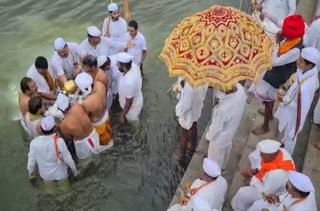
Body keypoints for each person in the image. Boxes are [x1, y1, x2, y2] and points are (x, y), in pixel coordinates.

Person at [249, 14, 305, 135]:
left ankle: (265, 126)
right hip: (274, 72)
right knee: (269, 98)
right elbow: (279, 20)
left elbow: (274, 62)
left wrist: (278, 43)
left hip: (277, 76)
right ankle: (268, 114)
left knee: (268, 99)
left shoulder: (295, 50)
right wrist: (266, 13)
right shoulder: (294, 36)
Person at [274, 47, 320, 154]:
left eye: (300, 61)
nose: (297, 62)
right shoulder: (305, 72)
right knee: (285, 134)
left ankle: (286, 156)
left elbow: (301, 108)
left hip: (294, 116)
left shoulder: (307, 87)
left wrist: (284, 99)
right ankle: (282, 146)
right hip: (289, 109)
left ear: (308, 65)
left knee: (290, 136)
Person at [232, 139, 295, 211]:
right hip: (270, 183)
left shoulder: (276, 175)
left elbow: (265, 193)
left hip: (273, 193)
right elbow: (265, 168)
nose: (260, 155)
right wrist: (256, 171)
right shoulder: (280, 152)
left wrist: (251, 179)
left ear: (271, 156)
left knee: (243, 193)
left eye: (262, 154)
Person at [206, 83, 247, 169]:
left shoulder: (223, 110)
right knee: (225, 151)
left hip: (218, 139)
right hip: (230, 131)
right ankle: (223, 168)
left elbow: (215, 129)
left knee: (214, 161)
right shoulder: (240, 90)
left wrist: (209, 137)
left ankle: (216, 175)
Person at [27, 116, 78, 182]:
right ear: (54, 129)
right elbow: (68, 159)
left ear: (41, 129)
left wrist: (30, 172)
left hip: (45, 176)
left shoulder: (34, 143)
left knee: (49, 190)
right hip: (60, 174)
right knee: (65, 190)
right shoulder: (59, 141)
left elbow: (31, 161)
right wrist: (74, 170)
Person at [56, 93, 101, 159]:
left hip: (82, 144)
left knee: (87, 162)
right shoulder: (77, 106)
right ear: (69, 103)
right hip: (93, 134)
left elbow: (69, 138)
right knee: (99, 153)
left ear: (60, 110)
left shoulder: (63, 125)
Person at [75, 72, 113, 148]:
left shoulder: (87, 103)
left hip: (98, 123)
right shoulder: (100, 85)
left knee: (102, 142)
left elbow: (85, 117)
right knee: (108, 135)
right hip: (105, 114)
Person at [173, 79, 208, 160]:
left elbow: (186, 104)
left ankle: (182, 154)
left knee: (184, 132)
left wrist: (179, 90)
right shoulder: (204, 78)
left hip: (189, 111)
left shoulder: (189, 85)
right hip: (197, 105)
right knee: (194, 124)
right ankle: (193, 146)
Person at [117, 52, 143, 123]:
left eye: (118, 64)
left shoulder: (129, 82)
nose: (116, 65)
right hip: (138, 97)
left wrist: (122, 115)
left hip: (132, 109)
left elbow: (129, 101)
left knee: (133, 123)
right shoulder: (134, 66)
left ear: (123, 66)